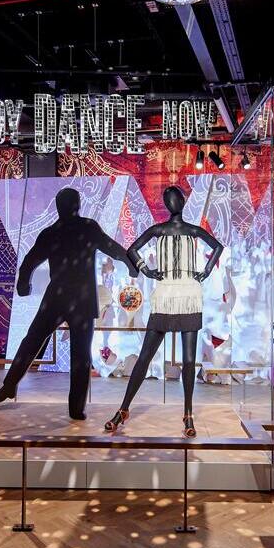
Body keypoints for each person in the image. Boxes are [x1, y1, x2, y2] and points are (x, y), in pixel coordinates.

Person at [0, 188, 138, 420]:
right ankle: (75, 408)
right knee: (79, 355)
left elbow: (29, 262)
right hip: (79, 298)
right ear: (78, 205)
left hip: (58, 296)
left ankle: (10, 384)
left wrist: (23, 285)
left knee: (33, 340)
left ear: (59, 207)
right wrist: (130, 264)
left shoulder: (51, 232)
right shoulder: (87, 227)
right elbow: (111, 247)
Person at [104, 185, 222, 437]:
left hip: (188, 295)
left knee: (189, 361)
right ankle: (123, 409)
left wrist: (206, 270)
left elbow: (217, 247)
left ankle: (188, 414)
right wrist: (146, 270)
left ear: (180, 201)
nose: (173, 202)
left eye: (175, 198)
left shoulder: (191, 230)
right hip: (166, 295)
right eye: (170, 199)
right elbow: (132, 249)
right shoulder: (159, 230)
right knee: (145, 356)